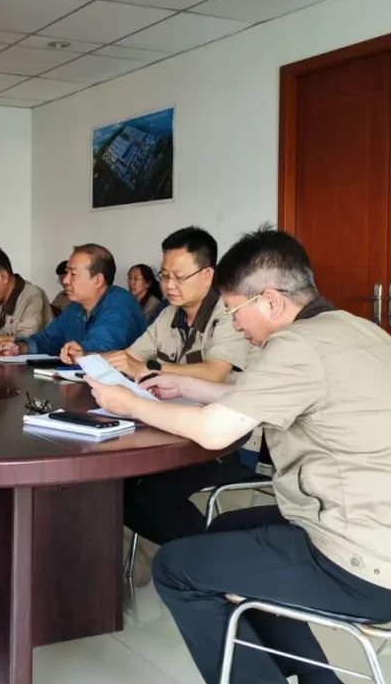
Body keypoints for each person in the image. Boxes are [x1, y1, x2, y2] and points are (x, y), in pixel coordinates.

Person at [87, 228, 391, 684]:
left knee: (175, 569)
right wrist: (185, 385)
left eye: (234, 311)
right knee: (226, 529)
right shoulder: (351, 329)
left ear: (272, 301)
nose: (236, 326)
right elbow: (263, 393)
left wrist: (130, 405)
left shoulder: (297, 345)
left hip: (365, 567)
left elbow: (214, 430)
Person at [105, 227, 256, 545]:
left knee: (152, 495)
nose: (169, 285)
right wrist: (88, 357)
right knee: (115, 485)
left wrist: (150, 368)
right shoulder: (168, 315)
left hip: (230, 442)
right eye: (164, 275)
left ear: (207, 275)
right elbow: (130, 356)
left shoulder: (228, 312)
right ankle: (188, 555)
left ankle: (209, 555)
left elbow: (215, 372)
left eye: (179, 276)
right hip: (175, 430)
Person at [0, 244, 145, 365]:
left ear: (98, 281)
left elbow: (99, 349)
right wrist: (20, 347)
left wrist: (75, 352)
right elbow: (48, 340)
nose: (66, 280)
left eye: (73, 274)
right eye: (66, 273)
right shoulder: (75, 308)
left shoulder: (120, 305)